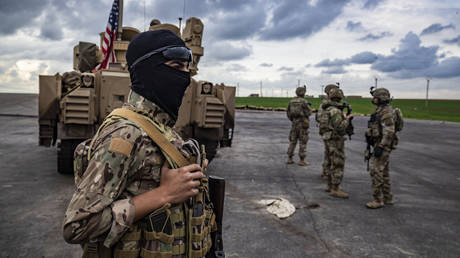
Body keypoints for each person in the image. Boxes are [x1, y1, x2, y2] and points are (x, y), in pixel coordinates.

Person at [63, 30, 215, 257]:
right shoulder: (124, 134)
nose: (185, 77)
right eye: (176, 66)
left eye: (187, 68)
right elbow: (76, 227)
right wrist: (164, 194)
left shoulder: (164, 129)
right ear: (148, 70)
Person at [365, 88, 396, 209]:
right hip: (380, 144)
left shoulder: (386, 112)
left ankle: (377, 200)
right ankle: (388, 197)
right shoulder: (381, 110)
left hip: (382, 145)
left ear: (381, 98)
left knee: (376, 171)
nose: (373, 99)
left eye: (375, 97)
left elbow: (389, 131)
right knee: (384, 172)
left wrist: (381, 146)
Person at [321, 88, 353, 198]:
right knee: (338, 163)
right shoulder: (335, 111)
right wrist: (347, 119)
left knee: (330, 162)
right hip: (335, 140)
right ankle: (335, 188)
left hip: (328, 138)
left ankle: (330, 185)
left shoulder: (326, 109)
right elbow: (339, 127)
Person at [316, 84, 339, 179]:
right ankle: (329, 174)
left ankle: (325, 171)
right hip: (331, 131)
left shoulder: (324, 103)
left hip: (325, 130)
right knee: (332, 154)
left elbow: (318, 117)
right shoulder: (330, 104)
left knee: (327, 152)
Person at [286, 85, 312, 166]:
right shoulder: (304, 101)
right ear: (303, 93)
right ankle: (302, 160)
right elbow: (309, 112)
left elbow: (288, 113)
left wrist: (293, 120)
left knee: (292, 141)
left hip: (294, 123)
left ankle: (289, 158)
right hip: (303, 124)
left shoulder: (291, 101)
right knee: (303, 142)